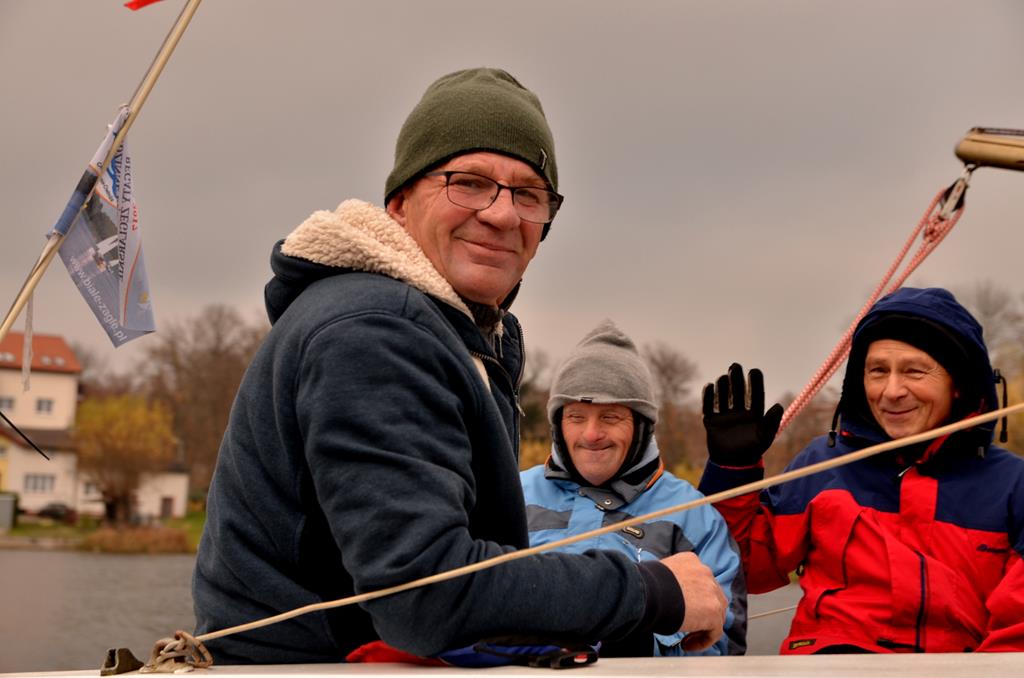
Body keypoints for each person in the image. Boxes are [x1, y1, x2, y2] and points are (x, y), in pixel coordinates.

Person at [193, 68, 727, 664]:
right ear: (400, 204)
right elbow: (425, 594)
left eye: (529, 195)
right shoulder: (377, 330)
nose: (502, 215)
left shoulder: (456, 335)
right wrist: (652, 591)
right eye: (468, 183)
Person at [699, 286, 1024, 653]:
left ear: (959, 385)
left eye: (915, 371)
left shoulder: (1013, 484)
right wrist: (732, 471)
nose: (892, 391)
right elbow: (741, 568)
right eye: (878, 371)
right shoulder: (823, 465)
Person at [521, 319, 746, 656]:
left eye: (610, 417)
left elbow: (724, 644)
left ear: (641, 426)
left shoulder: (692, 515)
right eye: (576, 417)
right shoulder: (512, 495)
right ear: (557, 425)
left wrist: (633, 643)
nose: (591, 434)